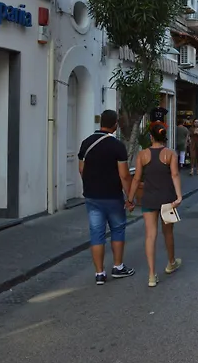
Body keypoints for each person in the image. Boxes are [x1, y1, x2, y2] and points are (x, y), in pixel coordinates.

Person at [77, 109, 135, 285]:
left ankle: (99, 273)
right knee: (117, 230)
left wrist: (90, 184)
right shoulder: (117, 146)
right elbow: (124, 175)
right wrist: (129, 198)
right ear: (115, 125)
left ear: (101, 122)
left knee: (97, 234)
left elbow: (81, 169)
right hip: (113, 196)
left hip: (92, 196)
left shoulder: (86, 143)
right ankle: (118, 267)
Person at [128, 123, 183, 287]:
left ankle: (152, 274)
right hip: (167, 199)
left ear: (151, 137)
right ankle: (171, 262)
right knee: (168, 233)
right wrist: (179, 196)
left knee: (150, 235)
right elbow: (175, 175)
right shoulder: (170, 154)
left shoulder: (142, 155)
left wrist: (130, 199)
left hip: (149, 198)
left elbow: (136, 179)